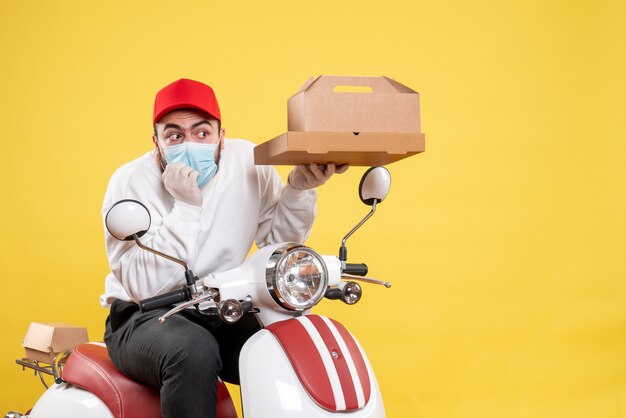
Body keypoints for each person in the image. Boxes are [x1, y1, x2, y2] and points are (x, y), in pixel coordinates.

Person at [101, 78, 347, 417]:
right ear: (156, 143)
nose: (189, 144)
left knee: (289, 341)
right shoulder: (129, 181)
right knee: (193, 349)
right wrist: (187, 206)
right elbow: (145, 287)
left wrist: (298, 189)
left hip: (222, 306)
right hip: (144, 318)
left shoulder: (248, 161)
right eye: (175, 135)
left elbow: (274, 245)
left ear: (221, 136)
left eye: (202, 133)